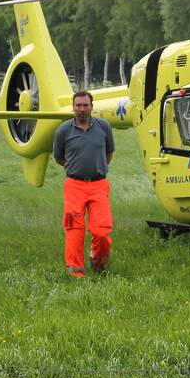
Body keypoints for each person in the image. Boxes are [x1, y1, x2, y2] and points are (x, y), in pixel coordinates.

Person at [52, 90, 115, 277]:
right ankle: (76, 272)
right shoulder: (63, 131)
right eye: (78, 105)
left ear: (92, 107)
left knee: (101, 230)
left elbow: (109, 153)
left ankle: (98, 260)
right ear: (73, 108)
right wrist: (76, 168)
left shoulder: (104, 127)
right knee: (74, 230)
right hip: (74, 186)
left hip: (99, 184)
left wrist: (96, 167)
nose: (81, 109)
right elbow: (59, 158)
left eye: (85, 105)